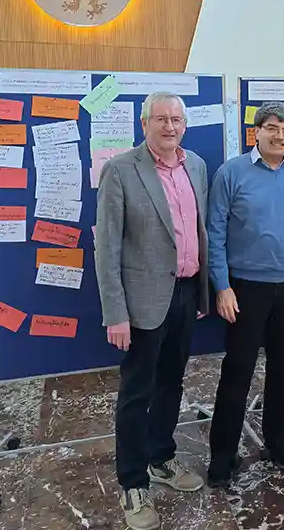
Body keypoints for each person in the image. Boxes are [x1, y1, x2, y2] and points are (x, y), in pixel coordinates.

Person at [96, 91, 209, 530]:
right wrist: (115, 313)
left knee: (171, 383)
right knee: (136, 393)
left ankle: (161, 458)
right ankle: (133, 483)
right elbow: (106, 248)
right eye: (160, 119)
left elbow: (199, 230)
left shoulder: (195, 165)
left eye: (176, 119)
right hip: (141, 302)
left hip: (186, 293)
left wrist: (203, 292)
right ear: (144, 124)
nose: (169, 126)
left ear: (185, 125)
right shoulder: (121, 169)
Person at [205, 101, 284, 488]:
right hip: (245, 288)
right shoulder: (232, 172)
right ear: (255, 132)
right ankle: (223, 453)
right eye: (272, 128)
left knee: (282, 368)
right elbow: (214, 233)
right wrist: (222, 286)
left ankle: (276, 438)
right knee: (237, 370)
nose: (280, 136)